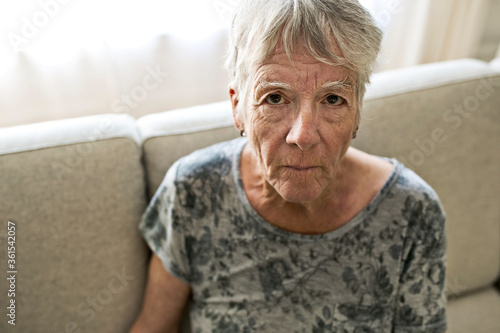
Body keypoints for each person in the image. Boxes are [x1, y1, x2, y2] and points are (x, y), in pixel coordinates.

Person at [130, 0, 447, 332]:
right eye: (275, 98)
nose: (303, 136)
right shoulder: (193, 191)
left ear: (357, 113)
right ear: (237, 108)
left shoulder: (411, 212)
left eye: (333, 99)